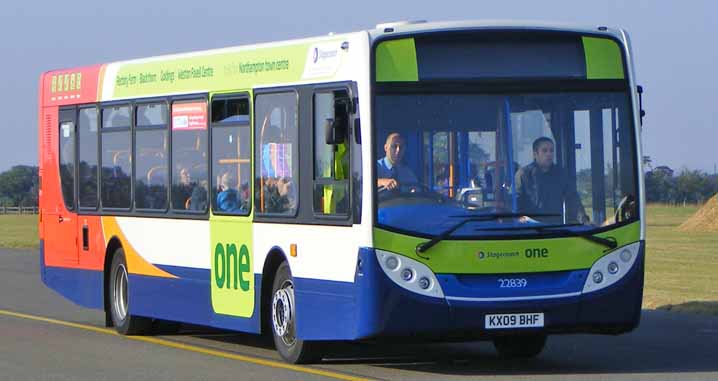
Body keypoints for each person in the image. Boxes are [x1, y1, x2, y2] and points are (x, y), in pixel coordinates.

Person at [515, 137, 590, 224]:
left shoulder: (561, 174)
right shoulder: (523, 175)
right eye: (544, 151)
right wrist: (518, 218)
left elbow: (573, 200)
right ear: (535, 154)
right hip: (530, 230)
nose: (549, 154)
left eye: (551, 150)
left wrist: (584, 220)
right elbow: (514, 202)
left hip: (555, 230)